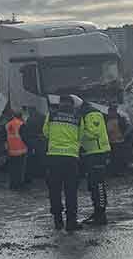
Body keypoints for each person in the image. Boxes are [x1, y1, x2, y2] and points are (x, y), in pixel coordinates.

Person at [43, 95, 83, 231]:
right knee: (71, 191)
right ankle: (71, 222)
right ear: (72, 105)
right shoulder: (78, 118)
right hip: (71, 158)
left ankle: (58, 221)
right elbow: (81, 136)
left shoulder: (52, 115)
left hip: (53, 158)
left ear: (60, 103)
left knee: (54, 190)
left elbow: (45, 133)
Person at [79, 101, 112, 225]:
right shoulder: (87, 113)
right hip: (92, 153)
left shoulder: (92, 114)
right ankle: (97, 212)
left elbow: (94, 133)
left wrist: (78, 133)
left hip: (97, 153)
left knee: (98, 184)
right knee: (93, 184)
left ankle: (101, 214)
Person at [106, 104, 133, 176]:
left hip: (120, 142)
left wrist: (124, 135)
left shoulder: (121, 119)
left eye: (113, 111)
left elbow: (130, 127)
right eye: (110, 111)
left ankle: (121, 171)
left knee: (120, 157)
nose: (111, 113)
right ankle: (114, 172)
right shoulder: (106, 120)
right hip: (111, 142)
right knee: (113, 158)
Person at [5, 109, 29, 189]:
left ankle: (12, 184)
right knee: (20, 169)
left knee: (13, 168)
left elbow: (6, 137)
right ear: (20, 116)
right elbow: (25, 137)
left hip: (11, 150)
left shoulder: (8, 124)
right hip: (21, 150)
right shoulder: (21, 124)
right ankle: (19, 184)